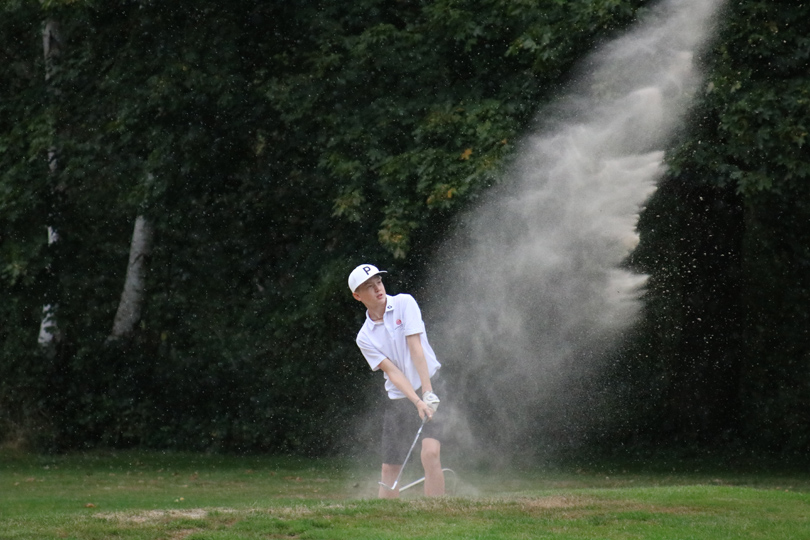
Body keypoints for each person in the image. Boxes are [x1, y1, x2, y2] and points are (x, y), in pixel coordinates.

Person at [348, 263, 445, 498]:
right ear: (357, 296)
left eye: (379, 282)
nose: (378, 289)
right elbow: (393, 372)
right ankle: (385, 519)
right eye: (369, 287)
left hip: (430, 383)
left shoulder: (404, 303)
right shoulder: (364, 337)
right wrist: (417, 402)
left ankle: (437, 513)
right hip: (399, 397)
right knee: (390, 467)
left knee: (429, 453)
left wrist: (427, 393)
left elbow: (416, 348)